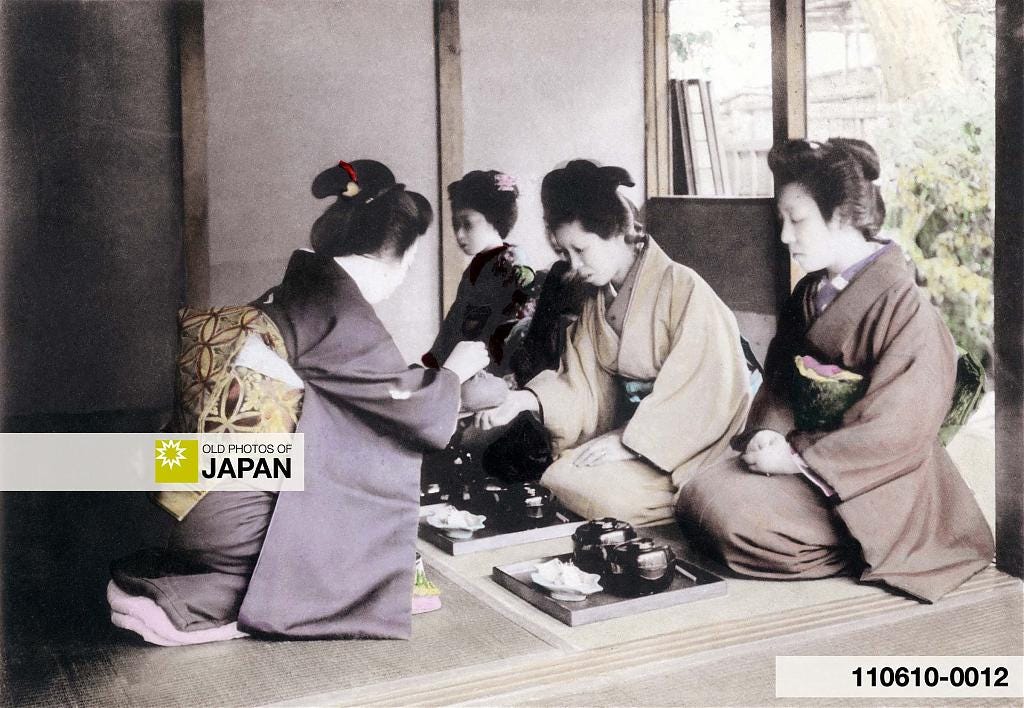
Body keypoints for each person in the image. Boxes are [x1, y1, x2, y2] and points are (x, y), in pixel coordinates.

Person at [109, 159, 489, 643]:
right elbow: (410, 410)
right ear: (402, 255)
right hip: (226, 519)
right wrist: (454, 373)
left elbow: (367, 390)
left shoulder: (300, 285)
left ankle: (183, 581)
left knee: (341, 448)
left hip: (185, 489)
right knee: (348, 544)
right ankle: (198, 602)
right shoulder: (338, 311)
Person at [675, 138, 995, 602]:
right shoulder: (809, 293)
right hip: (807, 454)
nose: (785, 236)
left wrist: (797, 459)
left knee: (736, 520)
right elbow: (782, 384)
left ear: (843, 215)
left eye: (797, 220)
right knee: (698, 494)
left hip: (877, 477)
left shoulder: (906, 310)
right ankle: (819, 532)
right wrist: (770, 433)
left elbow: (897, 429)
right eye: (782, 220)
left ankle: (861, 546)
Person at [477, 160, 751, 526]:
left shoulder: (683, 289)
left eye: (582, 250)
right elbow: (582, 386)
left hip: (691, 447)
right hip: (640, 437)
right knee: (559, 476)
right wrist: (523, 399)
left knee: (591, 492)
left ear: (620, 232)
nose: (574, 266)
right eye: (565, 254)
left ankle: (690, 497)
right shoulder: (597, 299)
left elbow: (706, 395)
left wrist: (628, 441)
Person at [422, 170, 540, 376]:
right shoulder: (475, 266)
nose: (459, 234)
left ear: (494, 219)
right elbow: (458, 314)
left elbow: (521, 315)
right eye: (455, 225)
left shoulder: (512, 258)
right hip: (469, 349)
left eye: (467, 224)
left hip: (495, 355)